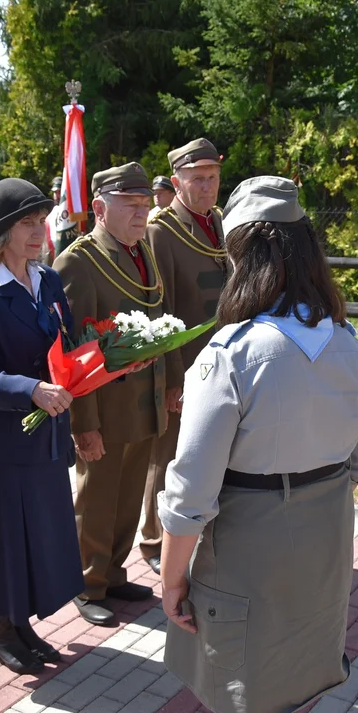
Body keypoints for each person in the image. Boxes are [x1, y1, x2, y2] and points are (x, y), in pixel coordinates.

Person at [159, 175, 358, 713]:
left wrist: (170, 580)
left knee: (242, 682)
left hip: (247, 548)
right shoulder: (352, 347)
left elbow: (190, 492)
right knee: (302, 670)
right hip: (325, 540)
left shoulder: (231, 355)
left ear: (245, 259)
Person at [0, 178, 84, 675]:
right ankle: (0, 627)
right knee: (5, 536)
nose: (39, 232)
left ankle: (23, 621)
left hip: (48, 432)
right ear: (2, 232)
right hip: (2, 440)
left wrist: (104, 362)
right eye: (27, 223)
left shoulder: (48, 280)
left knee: (39, 534)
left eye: (40, 221)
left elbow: (66, 346)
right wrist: (29, 390)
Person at [52, 162, 168, 627]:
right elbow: (74, 351)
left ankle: (114, 572)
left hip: (143, 401)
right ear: (99, 208)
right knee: (97, 497)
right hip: (104, 405)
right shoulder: (77, 262)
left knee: (127, 496)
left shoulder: (144, 252)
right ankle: (87, 582)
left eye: (144, 204)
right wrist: (85, 424)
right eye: (131, 205)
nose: (142, 213)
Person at [140, 139, 226, 574]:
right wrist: (172, 379)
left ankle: (199, 528)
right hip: (186, 364)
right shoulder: (161, 230)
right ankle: (155, 539)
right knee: (170, 453)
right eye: (197, 179)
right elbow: (161, 310)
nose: (207, 187)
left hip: (224, 362)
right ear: (176, 182)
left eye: (212, 177)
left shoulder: (220, 223)